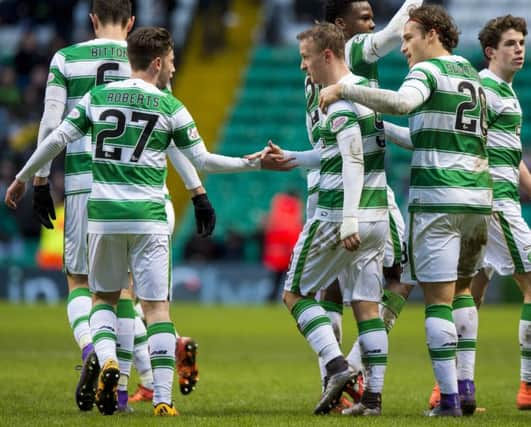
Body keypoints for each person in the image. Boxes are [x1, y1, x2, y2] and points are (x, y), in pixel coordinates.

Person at [5, 26, 266, 416]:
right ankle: (163, 400)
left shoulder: (98, 97)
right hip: (148, 217)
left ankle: (109, 361)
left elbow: (56, 138)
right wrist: (254, 162)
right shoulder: (168, 105)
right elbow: (203, 161)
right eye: (174, 61)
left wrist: (24, 178)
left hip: (103, 216)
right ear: (158, 62)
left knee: (103, 299)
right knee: (156, 308)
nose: (175, 68)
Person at [28, 0, 211, 413]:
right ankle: (130, 387)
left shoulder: (66, 59)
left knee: (84, 285)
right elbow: (172, 136)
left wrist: (39, 180)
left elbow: (50, 123)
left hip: (83, 186)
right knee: (128, 292)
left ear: (92, 19)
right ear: (130, 22)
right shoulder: (146, 62)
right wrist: (197, 191)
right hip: (140, 187)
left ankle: (96, 349)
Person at [319, 4, 491, 416]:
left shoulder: (427, 72)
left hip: (438, 199)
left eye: (409, 38)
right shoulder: (469, 74)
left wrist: (345, 89)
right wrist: (380, 127)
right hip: (478, 200)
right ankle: (465, 388)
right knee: (462, 292)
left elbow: (401, 103)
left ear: (432, 33)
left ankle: (448, 400)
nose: (404, 48)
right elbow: (421, 134)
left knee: (436, 301)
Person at [268, 22, 390, 415]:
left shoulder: (337, 102)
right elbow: (337, 153)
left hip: (340, 214)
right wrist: (293, 159)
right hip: (378, 216)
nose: (303, 67)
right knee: (368, 307)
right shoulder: (364, 92)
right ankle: (371, 400)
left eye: (306, 59)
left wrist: (348, 219)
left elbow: (352, 159)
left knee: (294, 294)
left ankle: (337, 367)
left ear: (326, 55)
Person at [469, 15, 531, 411]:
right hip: (495, 203)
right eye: (511, 43)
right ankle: (528, 387)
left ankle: (450, 389)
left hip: (489, 201)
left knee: (468, 296)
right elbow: (471, 146)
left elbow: (509, 154)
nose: (520, 48)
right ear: (491, 51)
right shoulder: (484, 90)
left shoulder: (505, 91)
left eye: (522, 42)